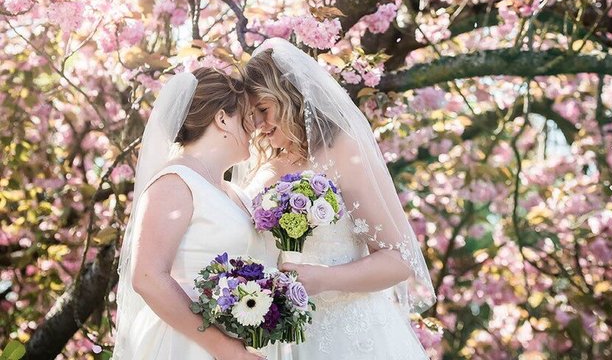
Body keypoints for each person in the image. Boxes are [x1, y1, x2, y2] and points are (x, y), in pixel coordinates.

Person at [235, 38, 437, 359]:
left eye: (263, 109)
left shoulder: (341, 151)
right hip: (278, 340)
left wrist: (324, 279)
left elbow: (399, 260)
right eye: (251, 115)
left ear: (289, 97)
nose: (258, 125)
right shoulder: (264, 167)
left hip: (349, 335)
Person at [113, 67, 269, 360]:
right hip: (184, 345)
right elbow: (147, 277)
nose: (255, 126)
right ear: (222, 118)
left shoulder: (238, 194)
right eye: (247, 117)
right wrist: (222, 348)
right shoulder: (174, 182)